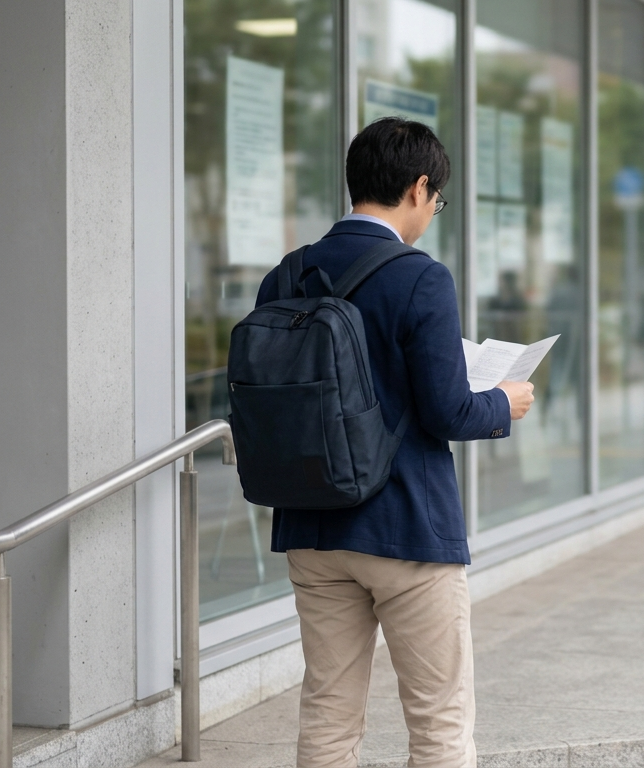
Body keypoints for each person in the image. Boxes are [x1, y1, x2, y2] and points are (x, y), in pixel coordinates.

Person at [254, 117, 535, 767]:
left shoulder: (287, 276)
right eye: (437, 201)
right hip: (407, 528)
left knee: (328, 708)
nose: (432, 214)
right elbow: (448, 411)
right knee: (439, 720)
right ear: (417, 188)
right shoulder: (420, 277)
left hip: (311, 528)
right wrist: (504, 402)